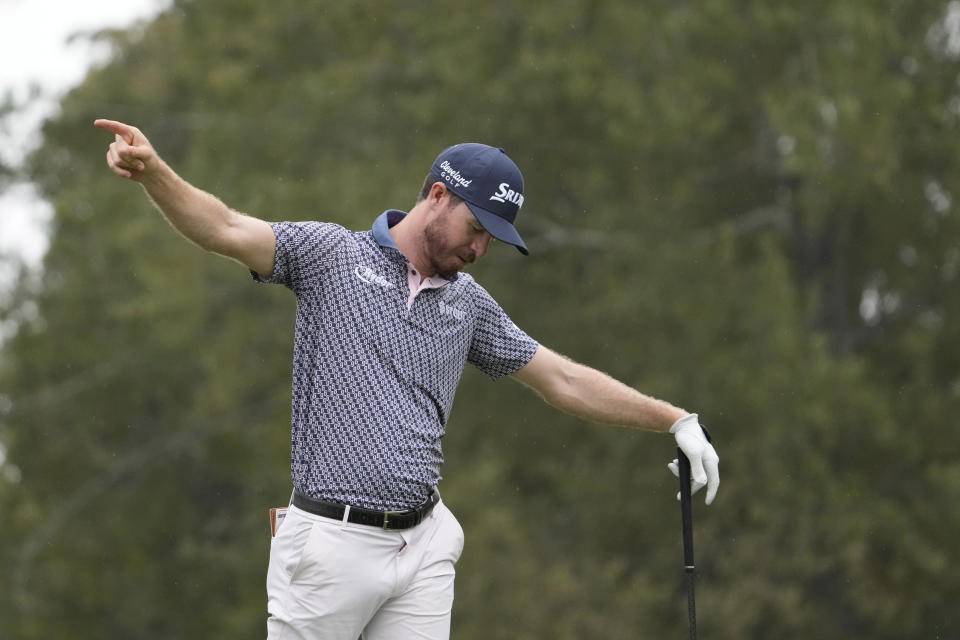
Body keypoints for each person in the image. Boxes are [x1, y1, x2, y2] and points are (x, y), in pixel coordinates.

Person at [94, 118, 720, 640]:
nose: (479, 251)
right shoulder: (331, 256)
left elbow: (560, 378)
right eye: (477, 230)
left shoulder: (467, 305)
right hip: (327, 546)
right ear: (438, 196)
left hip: (422, 546)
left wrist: (673, 418)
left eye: (493, 241)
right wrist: (154, 170)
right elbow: (225, 229)